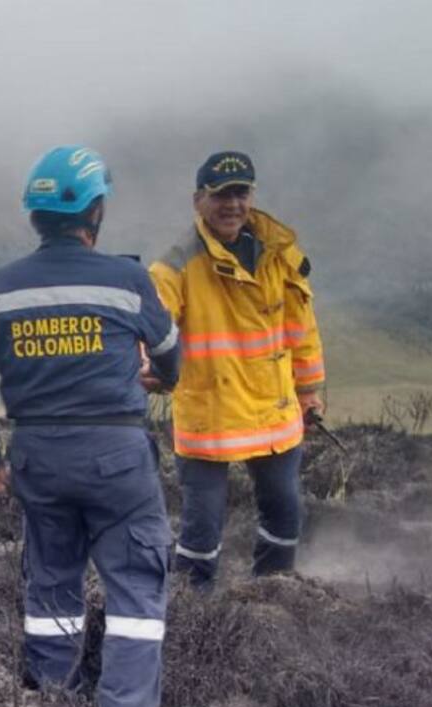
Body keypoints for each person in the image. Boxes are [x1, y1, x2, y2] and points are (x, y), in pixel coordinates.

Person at [0, 145, 181, 707]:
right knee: (135, 588)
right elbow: (168, 357)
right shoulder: (128, 280)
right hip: (117, 460)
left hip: (38, 461)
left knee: (52, 584)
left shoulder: (0, 288)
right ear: (95, 212)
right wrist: (159, 378)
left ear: (36, 216)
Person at [148, 151, 325, 588]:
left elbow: (300, 328)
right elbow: (151, 331)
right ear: (198, 201)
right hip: (212, 416)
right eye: (220, 194)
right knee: (201, 530)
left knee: (286, 513)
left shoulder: (279, 254)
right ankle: (194, 615)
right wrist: (144, 368)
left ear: (252, 196)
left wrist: (309, 391)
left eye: (240, 193)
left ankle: (274, 595)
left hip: (274, 412)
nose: (232, 204)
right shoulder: (173, 267)